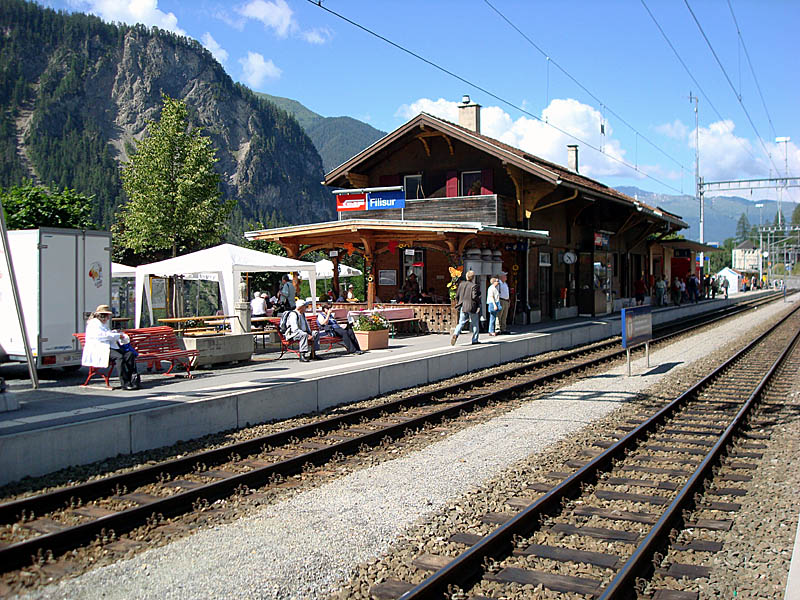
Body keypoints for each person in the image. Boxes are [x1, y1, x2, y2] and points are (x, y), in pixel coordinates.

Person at [81, 304, 140, 390]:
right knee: (119, 357)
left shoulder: (102, 324)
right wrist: (117, 335)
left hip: (108, 347)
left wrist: (115, 333)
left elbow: (107, 333)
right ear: (102, 316)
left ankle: (133, 380)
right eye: (107, 316)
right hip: (99, 349)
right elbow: (102, 336)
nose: (108, 318)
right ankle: (125, 383)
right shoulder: (94, 324)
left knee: (130, 354)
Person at [450, 270, 481, 345]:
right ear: (473, 277)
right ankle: (475, 339)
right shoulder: (474, 286)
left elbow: (457, 296)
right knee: (475, 323)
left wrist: (460, 302)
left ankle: (455, 334)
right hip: (472, 307)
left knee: (461, 322)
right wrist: (479, 300)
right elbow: (474, 296)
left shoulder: (461, 284)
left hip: (463, 306)